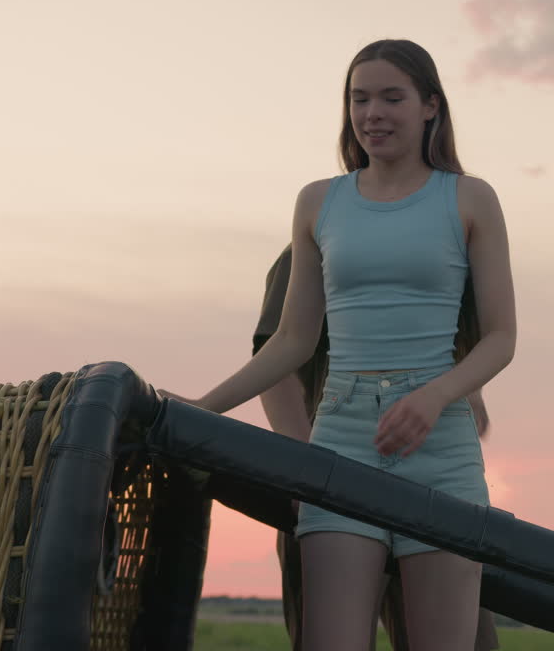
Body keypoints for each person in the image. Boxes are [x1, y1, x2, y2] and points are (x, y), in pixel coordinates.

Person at [167, 38, 516, 651]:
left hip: (440, 448)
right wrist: (200, 412)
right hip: (341, 444)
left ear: (431, 106)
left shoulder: (470, 198)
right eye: (359, 99)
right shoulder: (318, 202)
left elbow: (501, 339)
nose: (371, 112)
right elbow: (291, 342)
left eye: (391, 97)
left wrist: (436, 397)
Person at [252, 243, 499, 651]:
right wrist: (306, 469)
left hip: (434, 494)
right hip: (334, 483)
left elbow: (476, 357)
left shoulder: (457, 247)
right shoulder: (320, 242)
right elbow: (275, 362)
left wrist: (463, 398)